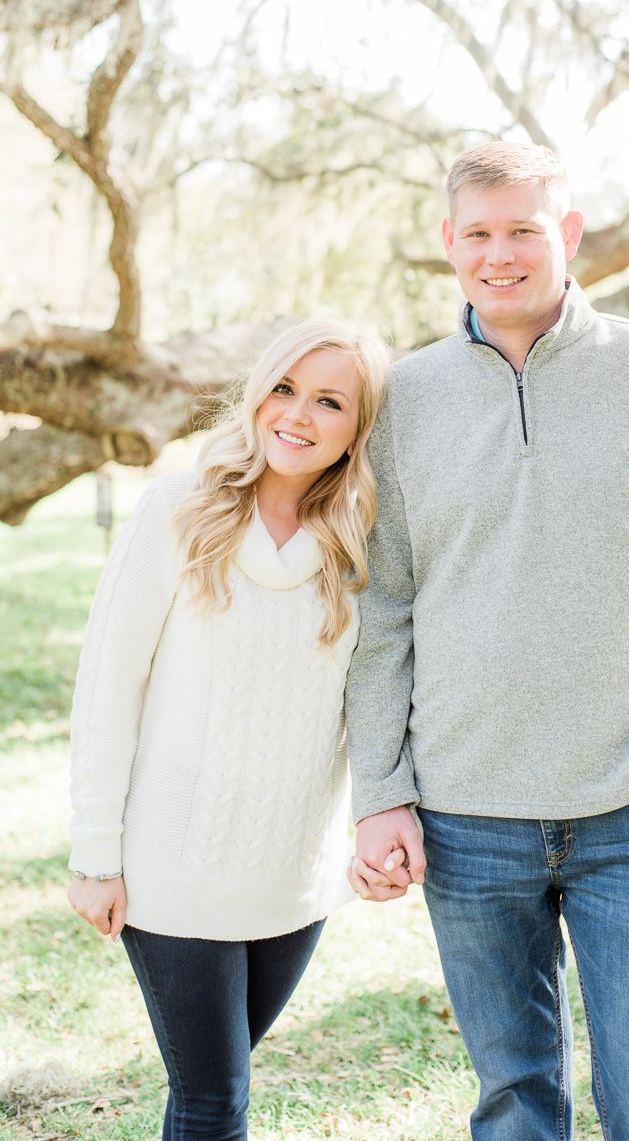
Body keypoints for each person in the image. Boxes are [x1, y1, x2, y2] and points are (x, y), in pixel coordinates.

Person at [344, 142, 629, 1141]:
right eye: (479, 234)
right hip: (466, 814)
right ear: (449, 245)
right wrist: (382, 794)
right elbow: (386, 606)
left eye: (524, 229)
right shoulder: (406, 397)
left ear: (567, 236)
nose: (502, 254)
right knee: (516, 1102)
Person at [67, 319, 391, 1141]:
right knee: (214, 1102)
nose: (298, 415)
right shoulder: (177, 509)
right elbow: (109, 688)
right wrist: (94, 854)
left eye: (329, 401)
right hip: (173, 871)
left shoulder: (360, 546)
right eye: (284, 388)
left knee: (217, 1082)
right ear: (254, 395)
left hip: (294, 877)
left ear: (357, 428)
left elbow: (380, 698)